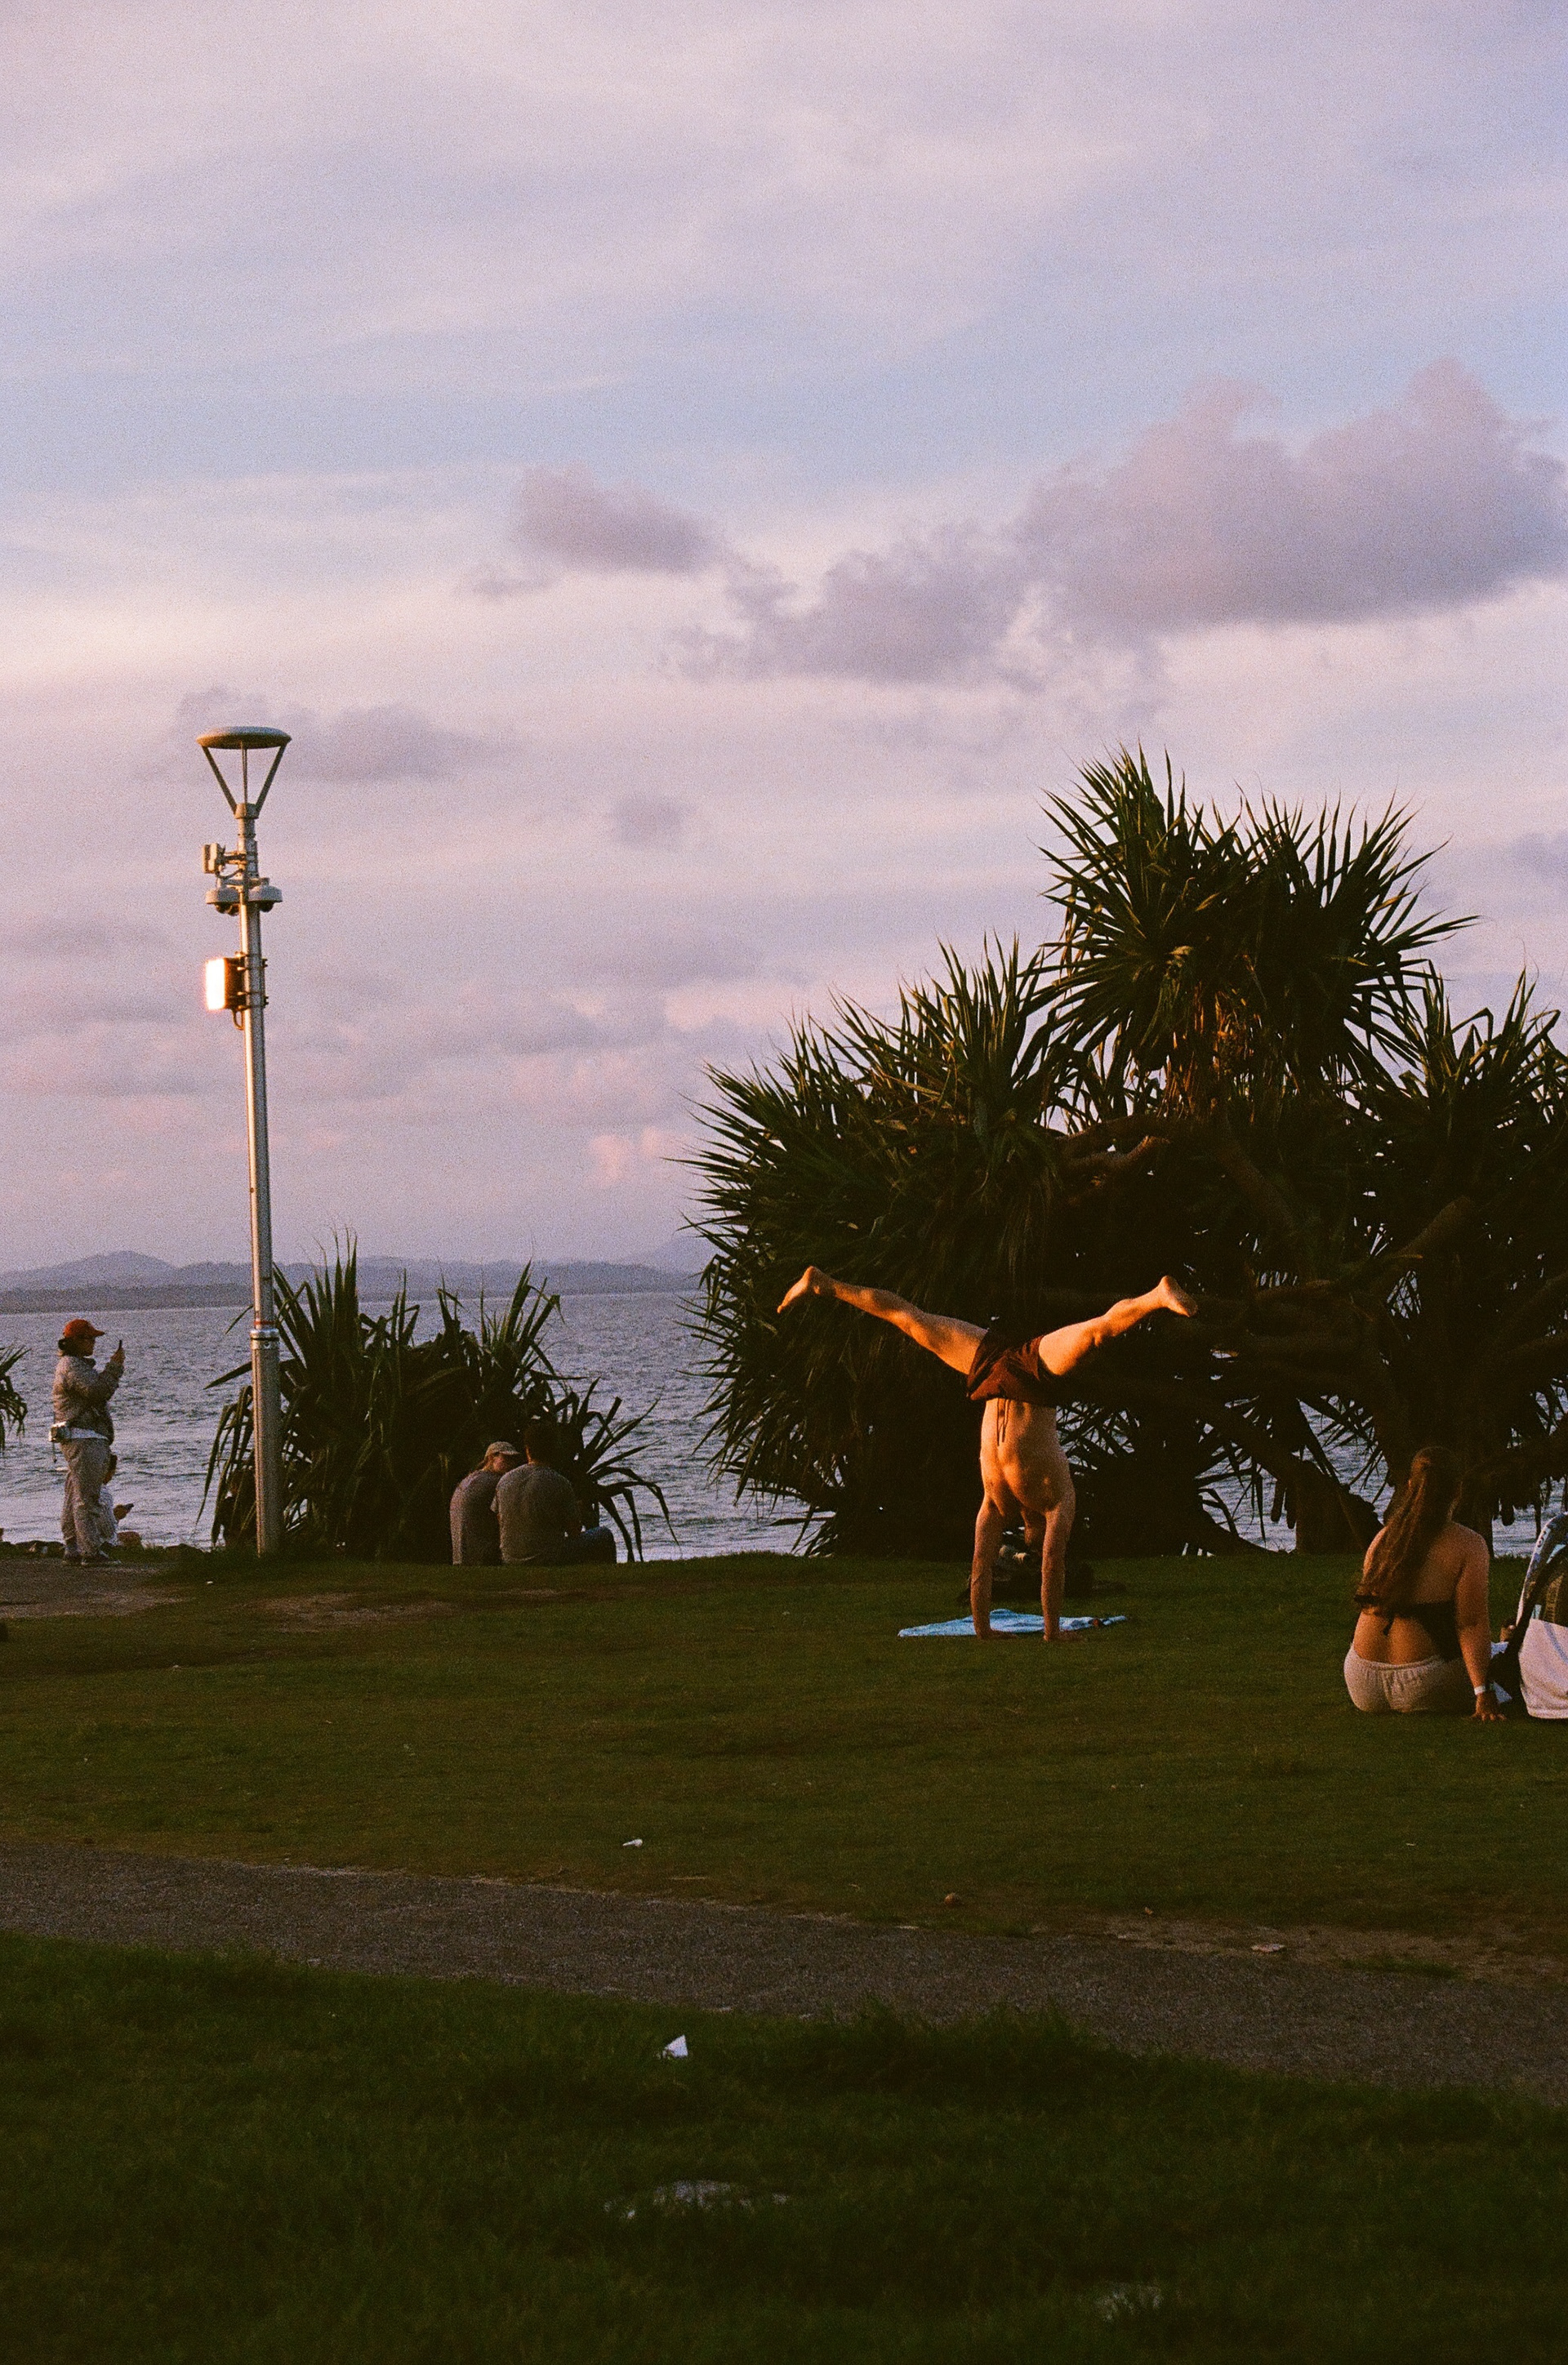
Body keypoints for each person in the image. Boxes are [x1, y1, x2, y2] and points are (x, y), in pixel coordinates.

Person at [776, 1267, 1198, 1638]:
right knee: (1096, 1333)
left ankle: (826, 1285)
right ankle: (1158, 1296)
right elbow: (1054, 1565)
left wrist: (984, 1630)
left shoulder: (995, 1505)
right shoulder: (1059, 1500)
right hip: (1036, 1372)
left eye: (1029, 1549)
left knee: (911, 1321)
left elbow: (980, 1569)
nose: (1033, 1547)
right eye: (1035, 1546)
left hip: (992, 1369)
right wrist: (1051, 1632)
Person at [1344, 1443, 1503, 1718]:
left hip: (1361, 1681)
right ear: (1458, 1490)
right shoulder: (1469, 1545)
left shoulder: (1383, 1539)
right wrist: (1483, 1693)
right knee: (1507, 1661)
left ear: (1409, 1486)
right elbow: (1471, 1623)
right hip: (1425, 1684)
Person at [51, 1319, 124, 1567]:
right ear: (75, 1341)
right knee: (87, 1497)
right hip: (85, 1438)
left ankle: (72, 1545)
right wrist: (114, 1367)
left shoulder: (69, 1365)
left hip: (77, 1437)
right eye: (89, 1339)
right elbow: (97, 1392)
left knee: (75, 1493)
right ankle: (91, 1551)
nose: (93, 1343)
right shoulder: (73, 1366)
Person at [494, 1421, 617, 1567]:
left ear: (527, 1450)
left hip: (510, 1558)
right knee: (603, 1534)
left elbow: (501, 1521)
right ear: (553, 1450)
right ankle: (606, 1578)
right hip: (547, 1558)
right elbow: (574, 1532)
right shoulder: (559, 1482)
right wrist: (576, 1511)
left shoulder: (505, 1480)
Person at [449, 1441, 523, 1565]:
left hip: (459, 1556)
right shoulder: (496, 1482)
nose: (512, 1464)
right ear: (491, 1457)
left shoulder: (467, 1480)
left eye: (514, 1460)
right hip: (481, 1557)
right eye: (507, 1459)